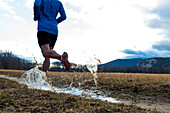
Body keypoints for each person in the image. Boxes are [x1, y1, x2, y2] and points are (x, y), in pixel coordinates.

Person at [33, 0, 71, 71]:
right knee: (48, 54)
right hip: (54, 31)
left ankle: (61, 58)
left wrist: (36, 16)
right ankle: (44, 75)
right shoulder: (58, 3)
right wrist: (55, 22)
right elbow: (64, 16)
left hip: (43, 28)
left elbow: (36, 7)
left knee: (45, 53)